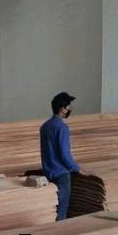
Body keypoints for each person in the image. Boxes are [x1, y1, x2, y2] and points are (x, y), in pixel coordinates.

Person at [40, 92, 84, 221]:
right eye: (69, 106)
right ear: (63, 109)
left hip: (48, 174)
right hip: (62, 175)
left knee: (50, 211)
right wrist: (78, 169)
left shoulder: (44, 126)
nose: (70, 109)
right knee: (61, 212)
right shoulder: (62, 128)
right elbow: (64, 155)